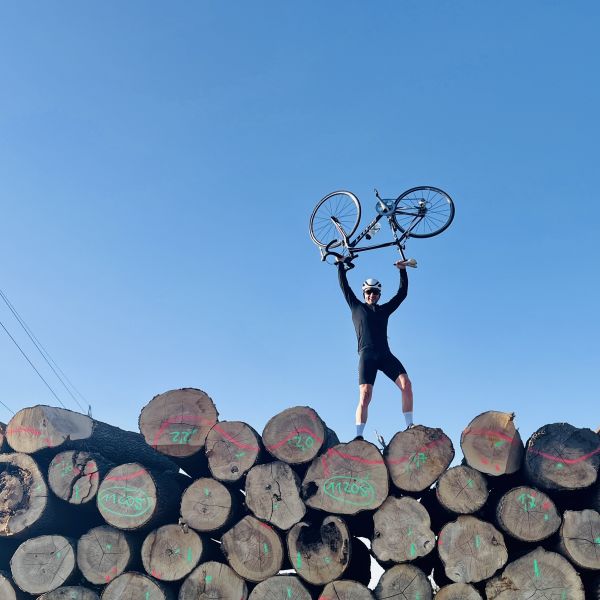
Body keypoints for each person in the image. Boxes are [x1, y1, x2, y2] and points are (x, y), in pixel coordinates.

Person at [337, 259, 414, 439]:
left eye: (375, 292)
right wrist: (340, 265)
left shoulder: (384, 310)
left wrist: (402, 270)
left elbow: (402, 294)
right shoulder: (356, 306)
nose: (372, 295)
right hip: (367, 355)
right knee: (365, 395)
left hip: (385, 354)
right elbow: (344, 287)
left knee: (406, 384)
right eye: (368, 292)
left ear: (379, 295)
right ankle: (359, 435)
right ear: (364, 293)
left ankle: (410, 425)